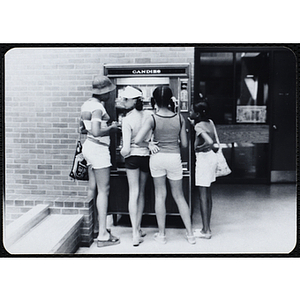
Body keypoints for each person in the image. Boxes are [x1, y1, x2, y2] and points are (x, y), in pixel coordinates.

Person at [135, 86, 195, 244]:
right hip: (174, 157)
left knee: (160, 195)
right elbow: (184, 144)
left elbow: (137, 140)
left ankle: (161, 235)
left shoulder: (152, 118)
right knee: (179, 196)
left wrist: (149, 144)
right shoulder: (179, 117)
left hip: (157, 157)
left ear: (154, 100)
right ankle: (190, 235)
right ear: (170, 100)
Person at [80, 75, 120, 247]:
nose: (110, 95)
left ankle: (94, 227)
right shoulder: (97, 107)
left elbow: (83, 128)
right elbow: (96, 131)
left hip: (89, 147)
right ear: (102, 93)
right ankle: (103, 235)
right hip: (98, 149)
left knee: (93, 189)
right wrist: (112, 127)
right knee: (104, 190)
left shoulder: (86, 104)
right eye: (108, 92)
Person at [120, 86, 153, 246]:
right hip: (146, 156)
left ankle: (134, 233)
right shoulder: (149, 115)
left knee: (133, 192)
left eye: (126, 99)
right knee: (141, 194)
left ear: (133, 100)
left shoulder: (126, 119)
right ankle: (138, 228)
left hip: (132, 158)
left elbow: (126, 148)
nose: (123, 102)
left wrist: (122, 153)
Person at [189, 100, 218, 239]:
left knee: (202, 195)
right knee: (208, 193)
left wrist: (198, 148)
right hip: (211, 158)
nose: (190, 113)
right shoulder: (210, 122)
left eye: (191, 111)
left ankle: (205, 231)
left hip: (203, 160)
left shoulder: (199, 126)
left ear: (198, 113)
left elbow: (210, 142)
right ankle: (207, 227)